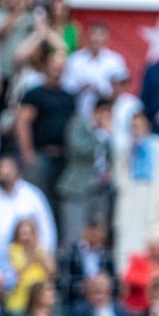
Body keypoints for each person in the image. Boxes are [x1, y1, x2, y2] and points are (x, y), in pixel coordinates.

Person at [111, 113, 159, 276]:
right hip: (131, 201)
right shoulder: (124, 149)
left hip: (152, 199)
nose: (137, 130)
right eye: (133, 127)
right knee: (128, 245)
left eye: (140, 125)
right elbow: (119, 181)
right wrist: (129, 154)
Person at [16, 46, 75, 209]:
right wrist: (27, 153)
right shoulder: (35, 94)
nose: (57, 70)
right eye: (54, 66)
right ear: (45, 67)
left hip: (62, 158)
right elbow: (22, 122)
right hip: (40, 155)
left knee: (57, 204)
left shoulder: (69, 97)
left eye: (60, 67)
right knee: (37, 200)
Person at [54, 97, 113, 252]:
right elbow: (80, 150)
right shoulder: (78, 125)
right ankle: (71, 266)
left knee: (98, 237)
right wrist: (100, 135)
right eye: (106, 113)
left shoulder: (110, 134)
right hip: (77, 189)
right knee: (74, 236)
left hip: (100, 190)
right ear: (97, 112)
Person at [62, 21, 125, 120]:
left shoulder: (115, 61)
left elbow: (120, 88)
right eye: (94, 33)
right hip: (77, 112)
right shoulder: (75, 59)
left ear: (106, 37)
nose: (96, 38)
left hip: (106, 115)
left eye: (101, 34)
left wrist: (99, 88)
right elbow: (65, 87)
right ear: (87, 36)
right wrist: (81, 86)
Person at [4, 217, 54, 315]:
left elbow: (52, 271)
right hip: (18, 301)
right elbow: (11, 275)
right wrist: (29, 261)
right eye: (23, 233)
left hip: (39, 301)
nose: (26, 237)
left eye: (28, 233)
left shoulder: (41, 250)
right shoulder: (11, 250)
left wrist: (40, 257)